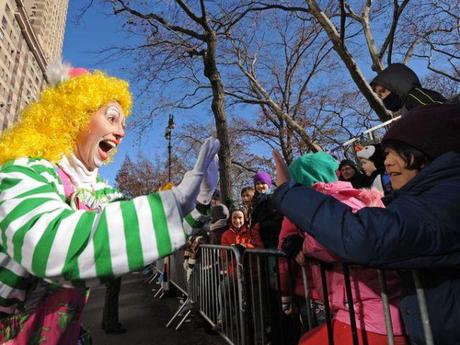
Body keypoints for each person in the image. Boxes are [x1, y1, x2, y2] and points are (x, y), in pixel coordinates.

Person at [0, 63, 220, 344]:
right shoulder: (22, 173)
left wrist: (199, 200)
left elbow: (147, 235)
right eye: (112, 118)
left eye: (123, 124)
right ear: (74, 116)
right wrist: (172, 204)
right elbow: (48, 246)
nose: (121, 133)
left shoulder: (99, 193)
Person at [272, 103, 460, 345]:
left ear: (423, 151)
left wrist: (288, 193)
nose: (387, 162)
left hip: (375, 320)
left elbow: (364, 236)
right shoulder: (428, 197)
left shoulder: (447, 199)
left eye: (394, 152)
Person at [278, 152, 405, 345]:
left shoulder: (321, 206)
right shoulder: (361, 197)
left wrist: (303, 245)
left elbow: (341, 238)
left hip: (368, 313)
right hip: (378, 306)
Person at [371, 63, 446, 114]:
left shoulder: (416, 96)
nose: (382, 96)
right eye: (379, 95)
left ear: (395, 83)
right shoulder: (404, 106)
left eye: (382, 91)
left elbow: (442, 114)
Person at [250, 171, 283, 249]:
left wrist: (260, 225)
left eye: (263, 183)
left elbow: (277, 221)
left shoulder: (272, 199)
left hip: (272, 241)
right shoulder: (257, 200)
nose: (260, 186)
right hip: (262, 240)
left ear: (268, 184)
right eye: (257, 184)